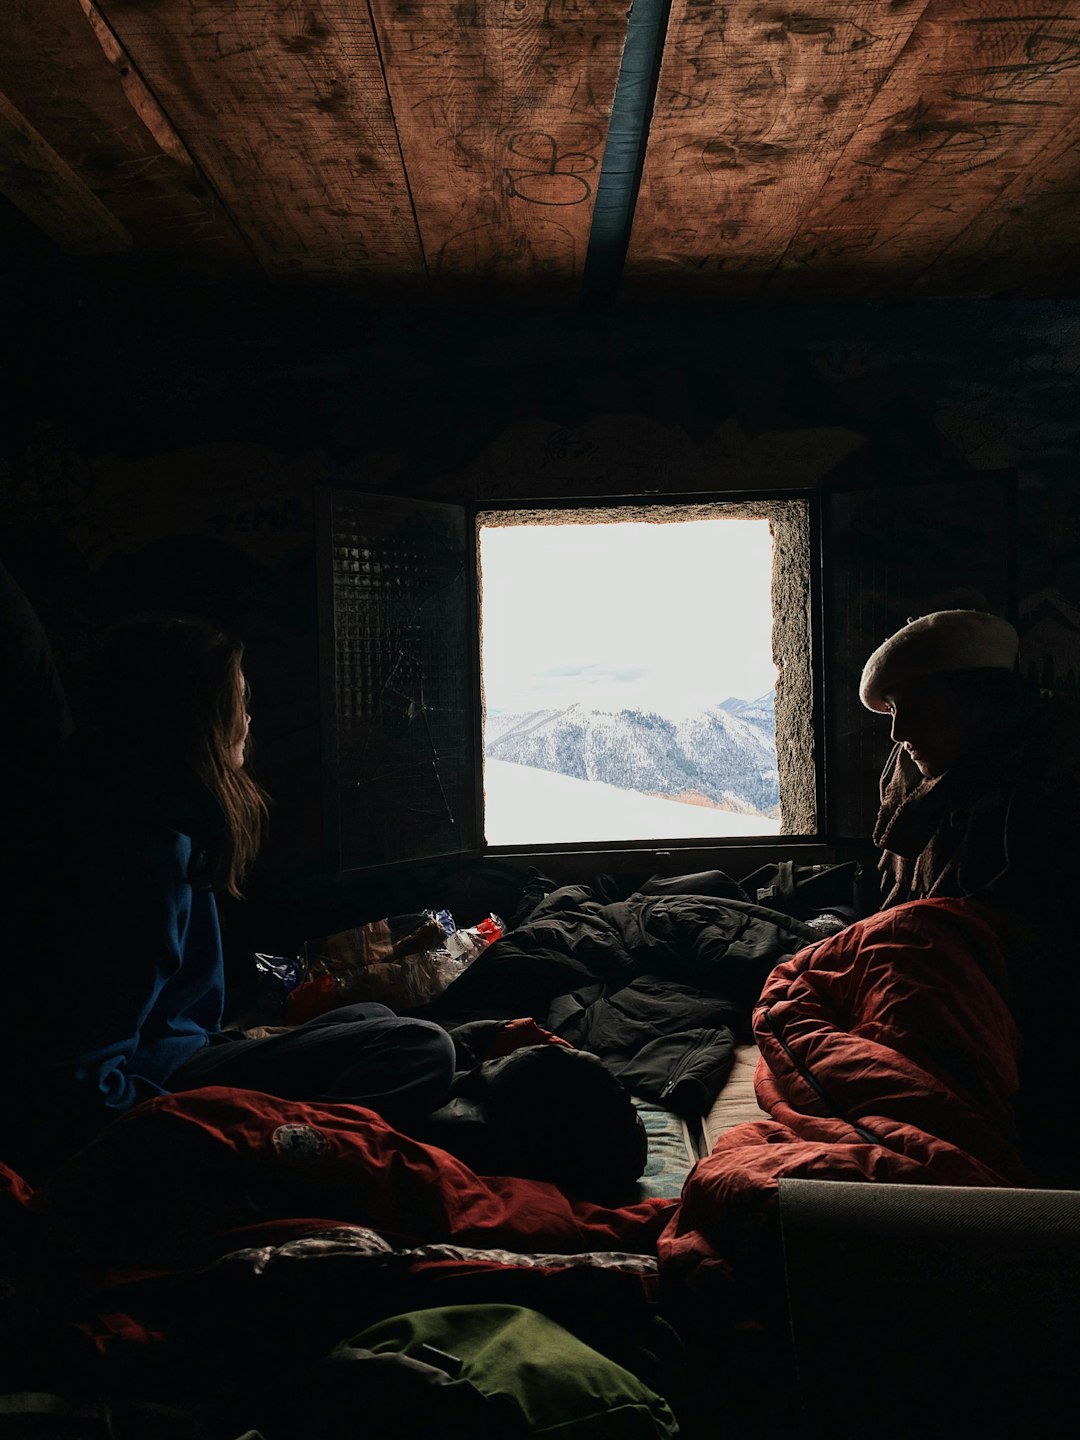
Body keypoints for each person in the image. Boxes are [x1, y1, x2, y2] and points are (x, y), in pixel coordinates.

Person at [2, 614, 455, 1181]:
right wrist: (215, 1131)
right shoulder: (136, 853)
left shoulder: (159, 816)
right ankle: (294, 1164)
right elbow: (79, 1079)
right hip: (154, 1089)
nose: (247, 718)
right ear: (199, 722)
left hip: (181, 1051)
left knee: (372, 1014)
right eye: (238, 701)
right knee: (419, 1048)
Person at [860, 607, 1080, 1183]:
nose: (898, 733)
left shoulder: (1049, 787)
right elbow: (890, 897)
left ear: (981, 705)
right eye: (891, 712)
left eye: (916, 710)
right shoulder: (919, 779)